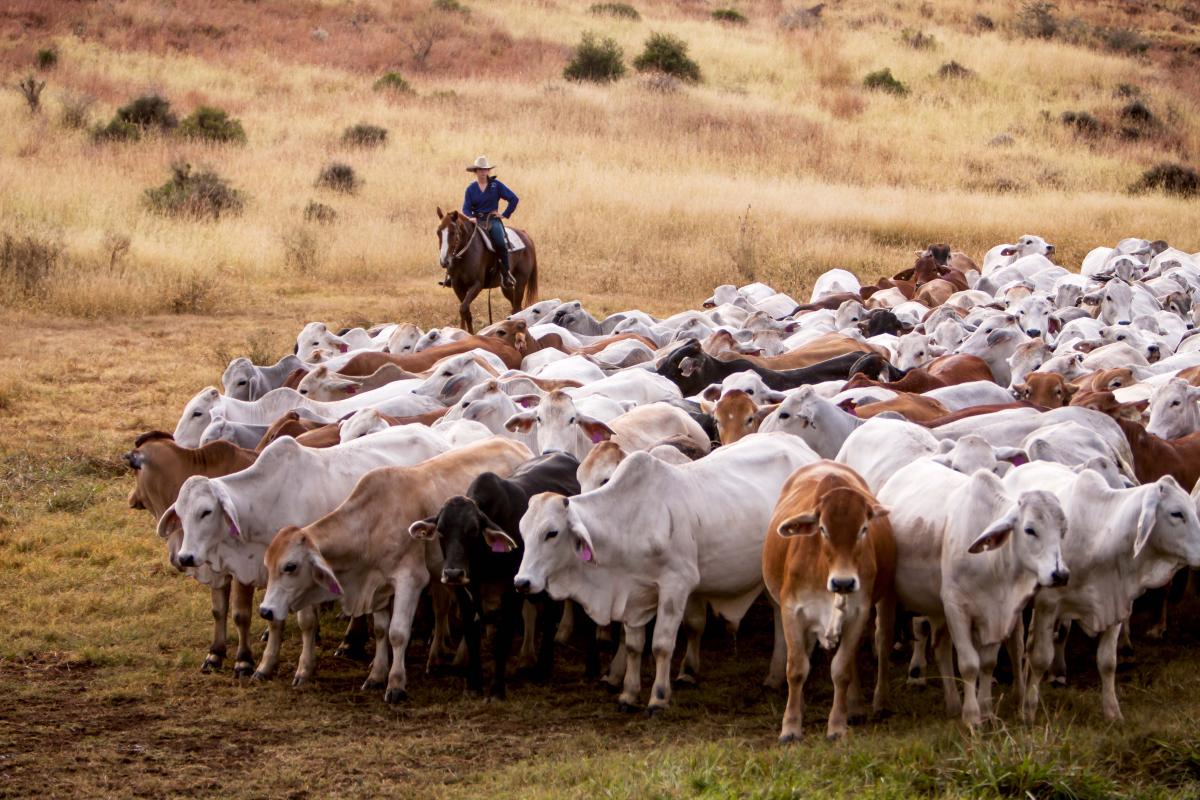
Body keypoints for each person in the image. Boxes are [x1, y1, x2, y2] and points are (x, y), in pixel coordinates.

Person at [445, 155, 518, 289]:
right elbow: (466, 207)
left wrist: (505, 214)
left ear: (488, 171)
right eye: (480, 170)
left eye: (485, 170)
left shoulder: (496, 186)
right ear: (475, 172)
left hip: (492, 220)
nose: (483, 172)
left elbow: (514, 199)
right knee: (458, 241)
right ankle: (451, 275)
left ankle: (506, 274)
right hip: (476, 221)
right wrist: (469, 217)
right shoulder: (471, 189)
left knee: (500, 243)